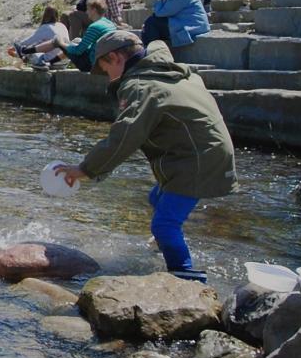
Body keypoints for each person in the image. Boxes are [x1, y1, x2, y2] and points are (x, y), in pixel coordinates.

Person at [53, 30, 237, 282]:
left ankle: (186, 280)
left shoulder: (140, 86)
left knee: (164, 225)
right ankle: (167, 246)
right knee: (156, 198)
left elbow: (123, 138)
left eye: (105, 69)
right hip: (207, 153)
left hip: (195, 161)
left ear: (116, 57)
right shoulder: (169, 71)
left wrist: (85, 169)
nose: (107, 77)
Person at [15, 0, 116, 73]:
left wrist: (62, 44)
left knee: (58, 41)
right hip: (104, 61)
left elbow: (78, 51)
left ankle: (24, 51)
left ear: (94, 10)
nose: (86, 12)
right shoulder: (109, 24)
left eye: (88, 9)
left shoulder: (94, 27)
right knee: (75, 41)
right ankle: (48, 61)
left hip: (90, 65)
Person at [142, 0, 210, 48]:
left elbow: (159, 13)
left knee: (152, 22)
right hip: (186, 23)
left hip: (195, 27)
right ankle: (151, 49)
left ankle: (151, 50)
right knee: (150, 24)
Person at [8, 5, 69, 69]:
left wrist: (13, 48)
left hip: (50, 62)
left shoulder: (46, 27)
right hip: (64, 62)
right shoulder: (62, 26)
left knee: (30, 52)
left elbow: (29, 41)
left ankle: (38, 64)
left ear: (44, 16)